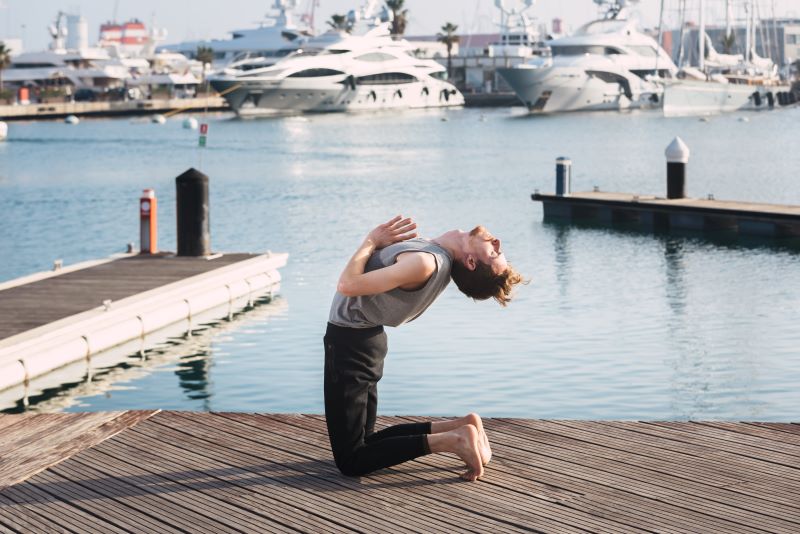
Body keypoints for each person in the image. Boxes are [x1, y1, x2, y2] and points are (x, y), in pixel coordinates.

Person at [324, 215, 524, 481]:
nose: (497, 243)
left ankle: (453, 441)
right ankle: (460, 428)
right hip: (363, 341)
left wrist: (371, 240)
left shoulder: (424, 262)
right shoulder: (433, 255)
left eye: (494, 252)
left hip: (350, 345)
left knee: (351, 461)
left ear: (472, 262)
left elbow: (347, 286)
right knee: (366, 441)